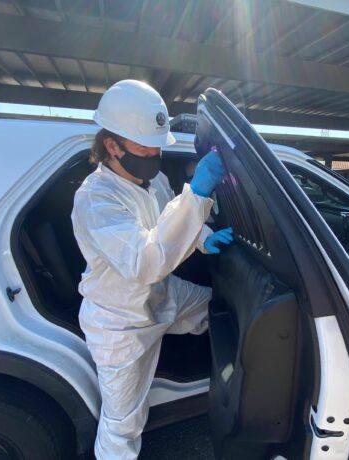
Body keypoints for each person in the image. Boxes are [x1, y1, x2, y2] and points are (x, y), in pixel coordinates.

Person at [71, 80, 233, 459]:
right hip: (120, 323)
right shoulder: (96, 199)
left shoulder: (153, 178)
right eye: (146, 145)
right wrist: (197, 194)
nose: (155, 153)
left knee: (225, 307)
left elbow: (166, 222)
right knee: (123, 423)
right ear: (112, 145)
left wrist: (202, 237)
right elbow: (145, 261)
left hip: (162, 295)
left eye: (158, 144)